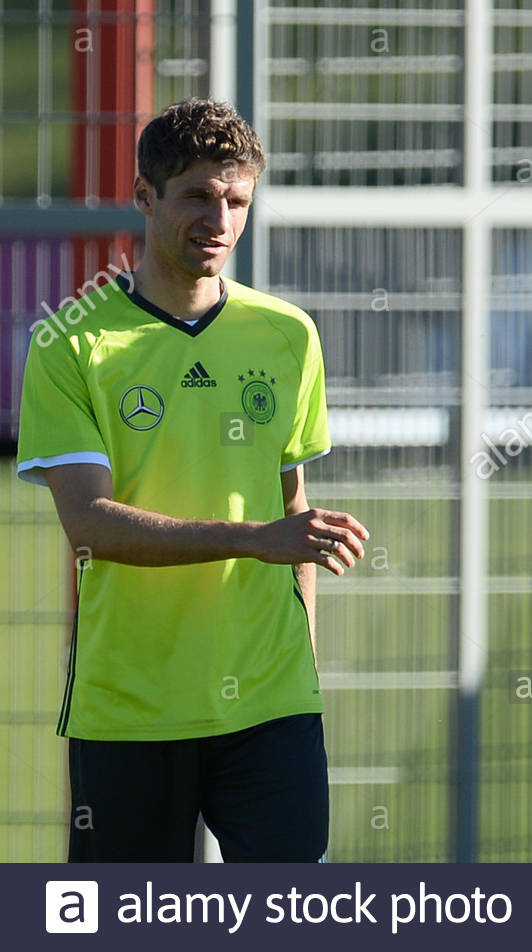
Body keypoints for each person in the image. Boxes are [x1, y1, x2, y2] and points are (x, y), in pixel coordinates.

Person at [16, 98, 369, 862]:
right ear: (145, 198)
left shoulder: (286, 334)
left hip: (273, 709)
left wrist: (301, 674)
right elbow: (92, 524)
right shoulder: (72, 344)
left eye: (236, 200)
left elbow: (292, 512)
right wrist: (259, 540)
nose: (219, 219)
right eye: (197, 196)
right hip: (132, 710)